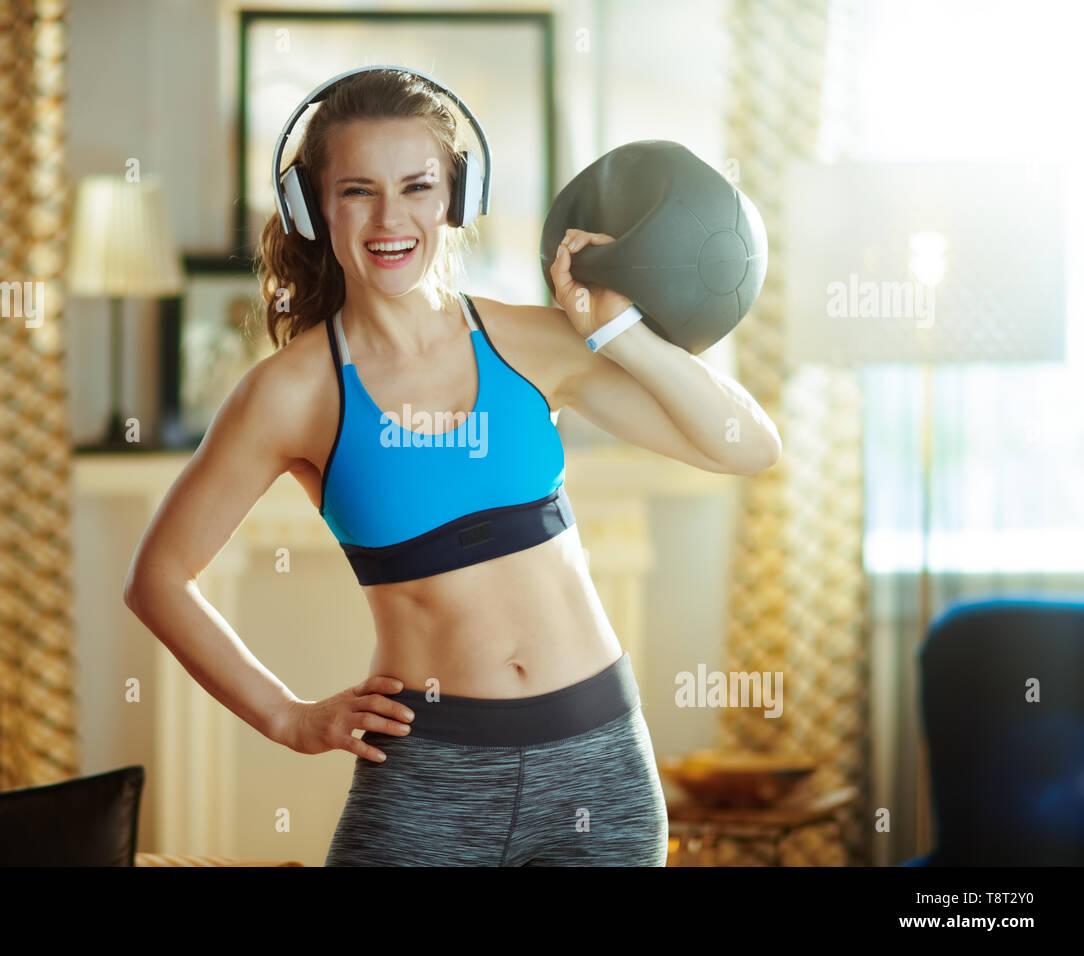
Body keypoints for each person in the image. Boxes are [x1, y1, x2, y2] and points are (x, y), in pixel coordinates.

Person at [123, 68, 782, 866]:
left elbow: (748, 446)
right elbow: (157, 577)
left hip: (598, 771)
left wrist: (617, 333)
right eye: (358, 190)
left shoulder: (532, 343)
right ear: (311, 207)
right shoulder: (292, 393)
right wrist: (288, 717)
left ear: (455, 199)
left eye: (417, 187)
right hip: (426, 783)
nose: (390, 217)